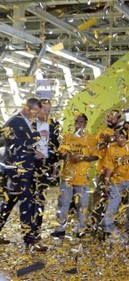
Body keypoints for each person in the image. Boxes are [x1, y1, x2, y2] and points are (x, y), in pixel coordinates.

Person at [0, 98, 47, 250]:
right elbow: (16, 145)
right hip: (17, 171)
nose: (36, 116)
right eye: (35, 112)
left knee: (10, 201)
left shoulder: (27, 122)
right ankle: (29, 239)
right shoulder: (14, 122)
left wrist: (36, 153)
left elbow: (25, 147)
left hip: (25, 169)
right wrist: (37, 135)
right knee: (27, 202)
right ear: (28, 108)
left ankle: (29, 238)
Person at [50, 114, 98, 238]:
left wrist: (82, 158)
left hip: (82, 177)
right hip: (67, 177)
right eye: (77, 121)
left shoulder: (91, 139)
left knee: (82, 204)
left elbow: (96, 156)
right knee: (63, 203)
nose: (79, 123)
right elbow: (60, 154)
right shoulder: (67, 137)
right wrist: (69, 157)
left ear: (86, 123)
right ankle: (60, 228)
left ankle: (80, 229)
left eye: (81, 121)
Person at [91, 109, 123, 231]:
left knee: (115, 199)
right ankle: (94, 223)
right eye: (109, 116)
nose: (110, 119)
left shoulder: (123, 132)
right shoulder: (102, 132)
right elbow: (97, 148)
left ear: (119, 119)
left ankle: (110, 223)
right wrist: (108, 141)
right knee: (99, 197)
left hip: (120, 174)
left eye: (113, 117)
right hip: (103, 172)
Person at [34, 98, 61, 238]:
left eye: (49, 111)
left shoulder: (54, 125)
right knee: (25, 198)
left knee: (40, 198)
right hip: (29, 165)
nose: (47, 113)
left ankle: (36, 231)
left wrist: (55, 168)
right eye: (44, 110)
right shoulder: (30, 124)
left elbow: (56, 148)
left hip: (45, 166)